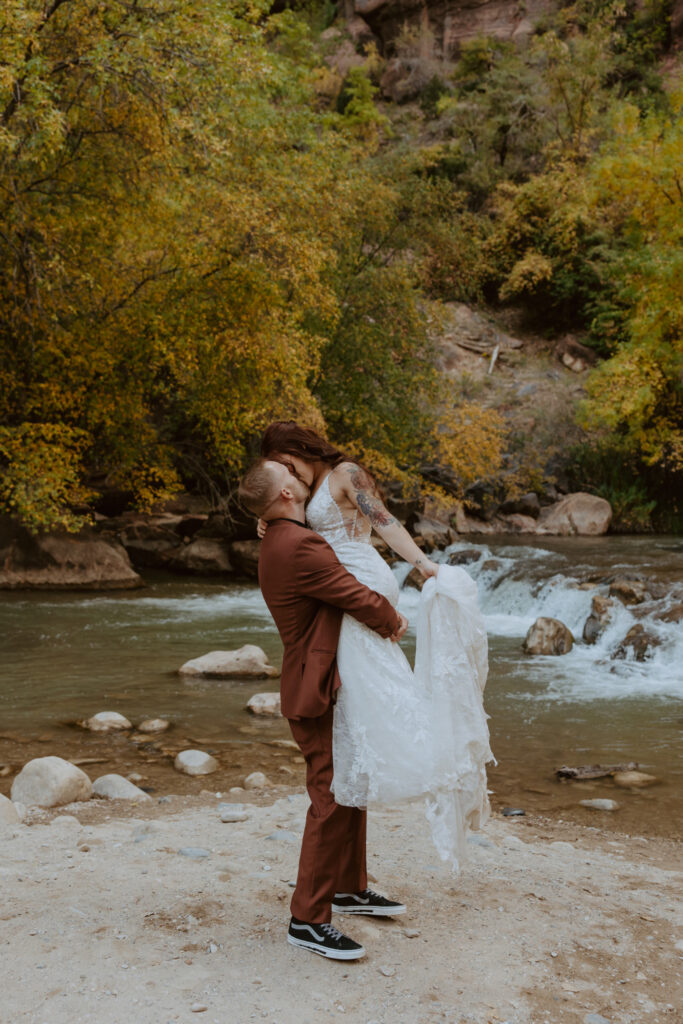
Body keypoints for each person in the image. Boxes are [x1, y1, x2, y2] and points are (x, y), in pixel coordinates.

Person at [258, 422, 493, 860]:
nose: (287, 476)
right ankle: (351, 851)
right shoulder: (300, 492)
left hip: (357, 593)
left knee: (368, 716)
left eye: (287, 465)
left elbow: (385, 521)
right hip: (338, 598)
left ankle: (400, 769)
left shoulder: (347, 475)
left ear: (298, 451)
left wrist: (424, 566)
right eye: (280, 473)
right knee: (356, 727)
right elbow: (289, 519)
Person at [238, 458, 410, 962]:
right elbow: (350, 592)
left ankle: (347, 888)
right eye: (287, 474)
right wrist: (390, 618)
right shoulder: (300, 545)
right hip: (316, 686)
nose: (299, 475)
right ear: (287, 494)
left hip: (323, 677)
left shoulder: (280, 537)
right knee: (330, 793)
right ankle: (307, 919)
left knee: (350, 781)